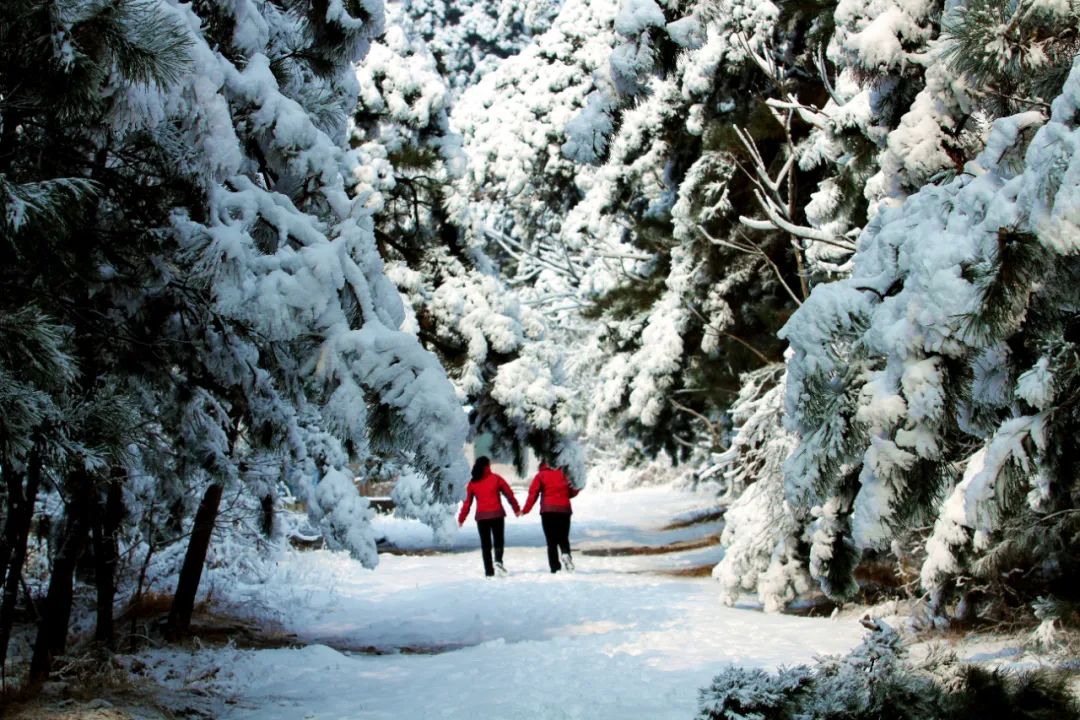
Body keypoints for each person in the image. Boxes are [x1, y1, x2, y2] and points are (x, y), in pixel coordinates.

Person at [458, 456, 520, 577]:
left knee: (485, 545)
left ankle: (489, 571)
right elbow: (509, 493)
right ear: (488, 466)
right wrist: (516, 508)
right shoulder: (496, 478)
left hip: (482, 518)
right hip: (497, 515)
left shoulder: (473, 482)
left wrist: (461, 518)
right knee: (498, 541)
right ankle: (498, 561)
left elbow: (467, 503)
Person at [521, 461, 579, 573]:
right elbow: (573, 490)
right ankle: (565, 553)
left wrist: (526, 510)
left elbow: (533, 493)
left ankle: (555, 568)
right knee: (563, 537)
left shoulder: (541, 475)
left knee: (551, 541)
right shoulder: (565, 473)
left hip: (548, 510)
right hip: (564, 510)